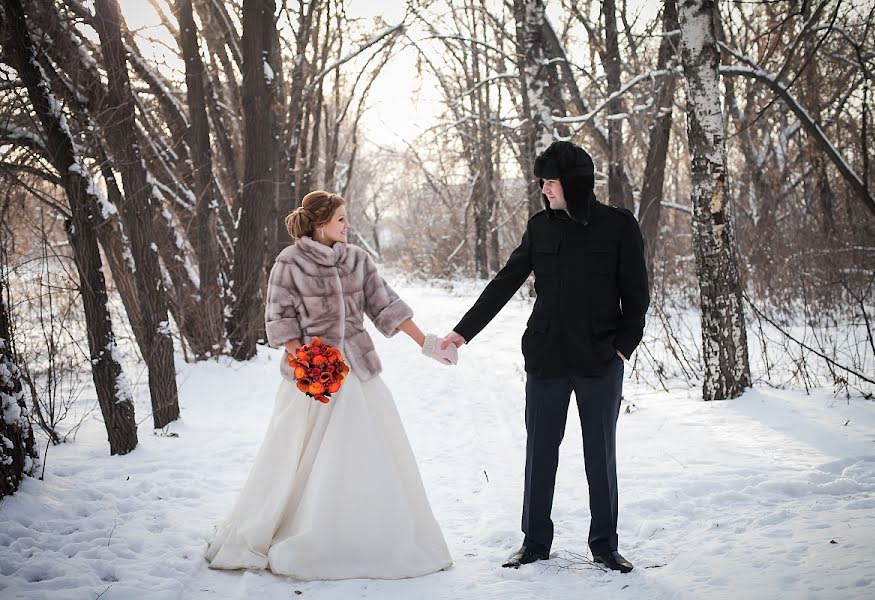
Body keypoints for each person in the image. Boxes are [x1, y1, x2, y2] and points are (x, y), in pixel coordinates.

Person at [206, 190, 457, 580]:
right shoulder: (289, 262)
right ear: (320, 223)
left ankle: (365, 535)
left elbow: (386, 306)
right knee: (293, 455)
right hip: (311, 377)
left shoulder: (357, 260)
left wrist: (426, 343)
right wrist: (302, 359)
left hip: (357, 369)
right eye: (341, 219)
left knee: (366, 454)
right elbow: (280, 317)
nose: (347, 225)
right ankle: (295, 528)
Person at [442, 141, 650, 572]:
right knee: (540, 453)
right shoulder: (540, 228)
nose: (544, 190)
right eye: (542, 182)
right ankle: (534, 541)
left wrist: (622, 347)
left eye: (550, 182)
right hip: (547, 358)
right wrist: (463, 332)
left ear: (573, 184)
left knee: (600, 455)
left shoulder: (618, 227)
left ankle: (605, 545)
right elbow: (505, 282)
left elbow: (637, 295)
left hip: (599, 360)